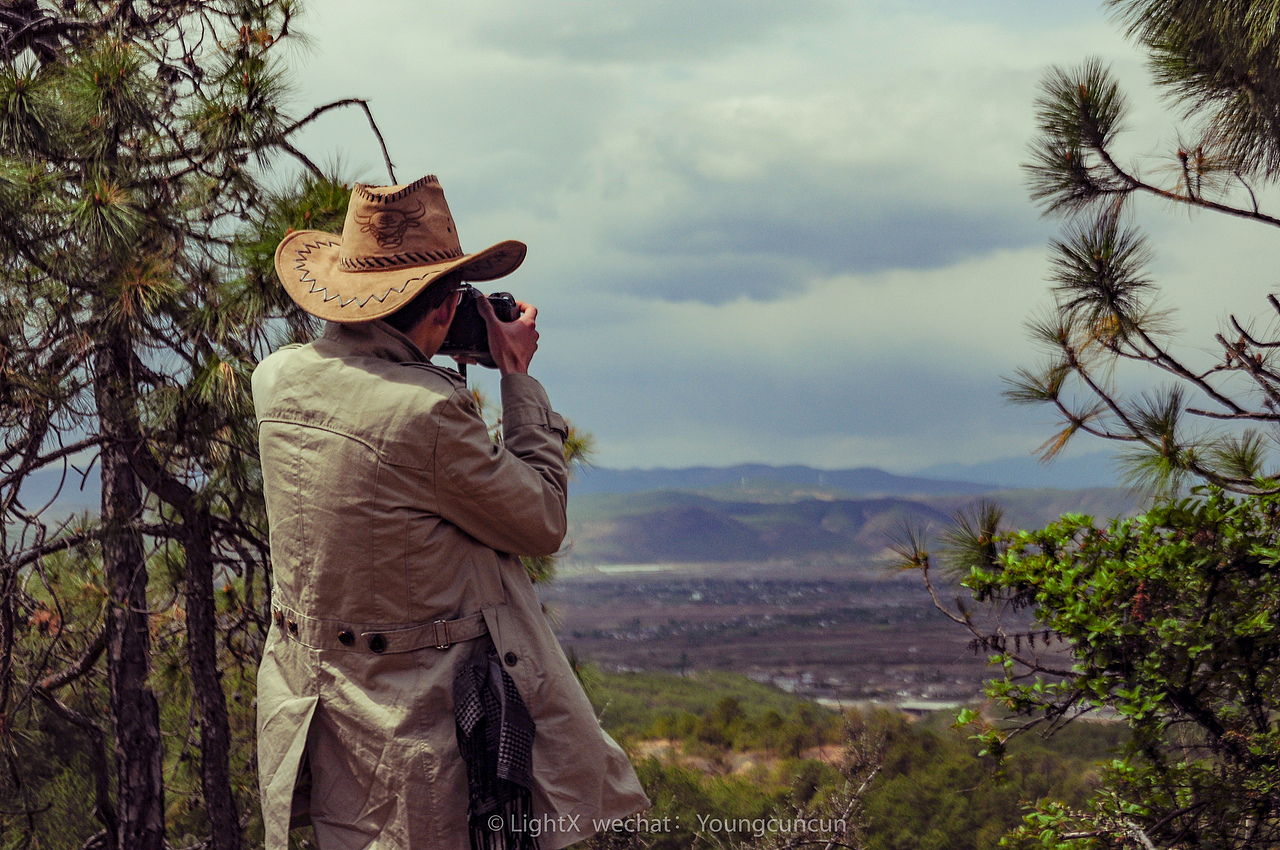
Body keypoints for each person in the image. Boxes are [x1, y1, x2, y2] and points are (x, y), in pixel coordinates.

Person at [253, 175, 648, 850]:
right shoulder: (427, 413)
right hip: (417, 734)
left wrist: (430, 350)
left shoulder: (276, 379)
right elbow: (541, 521)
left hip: (320, 712)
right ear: (439, 311)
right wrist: (516, 377)